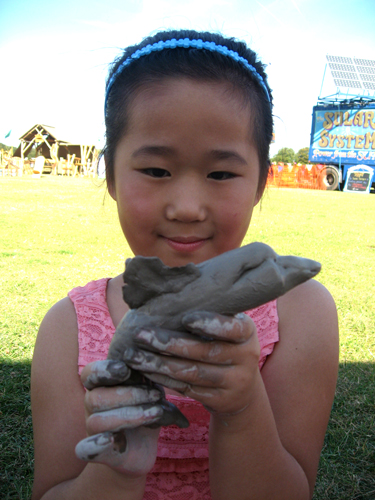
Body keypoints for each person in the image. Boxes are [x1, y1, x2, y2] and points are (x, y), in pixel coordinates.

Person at [31, 29, 339, 500]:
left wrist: (241, 407)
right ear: (110, 173)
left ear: (260, 183)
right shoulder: (67, 328)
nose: (188, 207)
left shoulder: (303, 314)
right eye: (156, 171)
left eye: (221, 173)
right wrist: (117, 469)